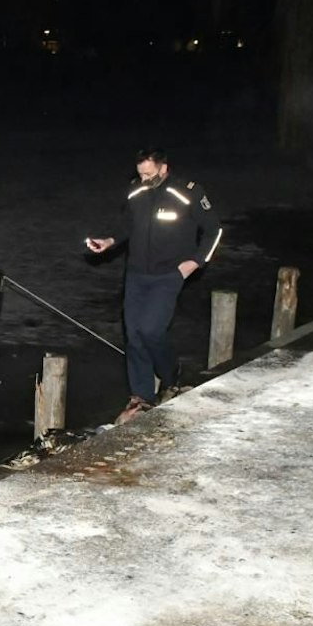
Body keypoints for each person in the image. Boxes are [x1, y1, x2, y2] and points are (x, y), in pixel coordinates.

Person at [85, 149, 224, 423]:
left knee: (151, 330)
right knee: (134, 334)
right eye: (140, 175)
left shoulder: (188, 191)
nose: (144, 180)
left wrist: (195, 263)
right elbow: (128, 225)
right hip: (136, 274)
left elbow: (214, 230)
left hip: (169, 275)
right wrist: (109, 241)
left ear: (163, 168)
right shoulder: (136, 190)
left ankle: (171, 375)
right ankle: (141, 395)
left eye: (149, 174)